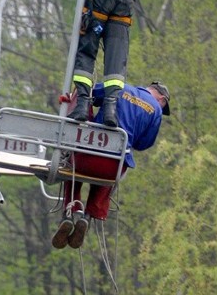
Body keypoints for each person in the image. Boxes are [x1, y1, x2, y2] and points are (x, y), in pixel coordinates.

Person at [51, 81, 171, 250]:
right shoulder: (156, 110)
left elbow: (88, 95)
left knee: (72, 163)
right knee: (110, 176)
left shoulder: (119, 86)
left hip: (85, 158)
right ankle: (88, 216)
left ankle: (70, 212)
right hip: (112, 168)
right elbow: (143, 144)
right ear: (162, 99)